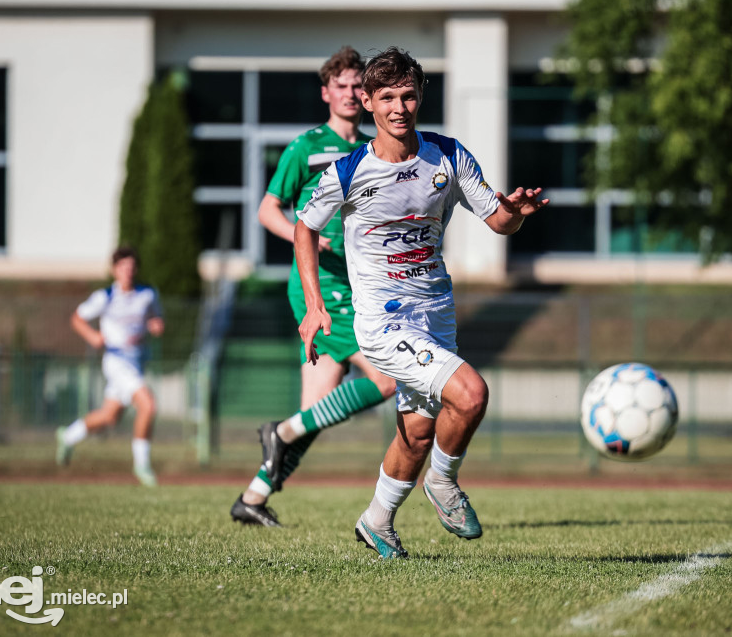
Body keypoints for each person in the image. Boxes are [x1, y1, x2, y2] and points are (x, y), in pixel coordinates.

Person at [294, 47, 548, 558]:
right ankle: (444, 482)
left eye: (408, 95)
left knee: (418, 431)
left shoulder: (448, 156)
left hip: (436, 315)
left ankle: (377, 520)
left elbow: (497, 220)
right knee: (471, 394)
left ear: (420, 96)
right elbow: (305, 227)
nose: (399, 107)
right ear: (366, 101)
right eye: (386, 97)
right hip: (383, 324)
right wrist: (315, 304)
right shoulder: (346, 172)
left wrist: (515, 213)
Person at [230, 46, 397, 527]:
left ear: (367, 96)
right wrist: (311, 238)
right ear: (327, 93)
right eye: (341, 86)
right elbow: (268, 210)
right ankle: (279, 434)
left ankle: (253, 498)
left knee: (313, 414)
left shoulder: (374, 149)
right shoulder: (305, 147)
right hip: (319, 290)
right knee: (386, 378)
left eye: (357, 86)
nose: (349, 93)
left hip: (359, 287)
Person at [56, 246, 164, 486]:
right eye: (122, 266)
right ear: (115, 270)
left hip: (136, 362)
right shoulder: (105, 296)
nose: (127, 271)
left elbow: (156, 319)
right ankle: (142, 465)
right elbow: (77, 318)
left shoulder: (147, 294)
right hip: (116, 362)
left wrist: (156, 325)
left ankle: (68, 436)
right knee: (148, 406)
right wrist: (93, 336)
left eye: (131, 266)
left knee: (109, 417)